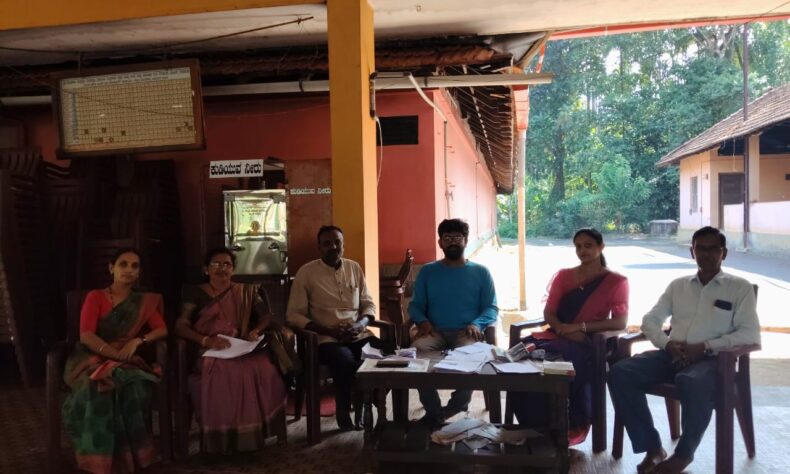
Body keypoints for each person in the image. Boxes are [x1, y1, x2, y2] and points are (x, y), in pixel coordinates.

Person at [608, 226, 760, 474]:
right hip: (671, 355)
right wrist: (667, 344)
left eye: (713, 249)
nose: (706, 254)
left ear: (724, 253)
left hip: (712, 361)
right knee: (620, 373)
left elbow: (749, 335)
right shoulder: (678, 286)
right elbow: (650, 320)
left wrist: (705, 347)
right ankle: (652, 448)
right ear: (692, 251)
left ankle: (683, 455)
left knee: (690, 380)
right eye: (701, 248)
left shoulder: (739, 288)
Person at [510, 228, 628, 445]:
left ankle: (566, 426)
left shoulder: (615, 281)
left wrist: (580, 328)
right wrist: (562, 329)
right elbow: (549, 312)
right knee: (518, 358)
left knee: (565, 365)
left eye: (588, 245)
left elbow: (620, 323)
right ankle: (533, 426)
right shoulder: (564, 276)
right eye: (578, 246)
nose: (583, 250)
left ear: (601, 247)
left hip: (588, 342)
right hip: (556, 335)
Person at [62, 248, 168, 474]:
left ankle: (131, 457)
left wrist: (137, 340)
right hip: (90, 357)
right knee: (97, 385)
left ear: (139, 273)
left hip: (125, 360)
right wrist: (113, 353)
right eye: (123, 264)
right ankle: (97, 460)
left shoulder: (142, 302)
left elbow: (161, 329)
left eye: (134, 266)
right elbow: (86, 336)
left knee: (131, 384)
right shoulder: (96, 297)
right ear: (112, 268)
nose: (129, 270)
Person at [175, 248, 288, 454]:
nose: (222, 268)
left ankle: (251, 436)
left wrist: (256, 330)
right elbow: (181, 325)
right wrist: (205, 340)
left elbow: (266, 316)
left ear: (233, 269)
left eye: (227, 264)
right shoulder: (194, 293)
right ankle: (222, 440)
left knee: (263, 367)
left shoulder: (246, 291)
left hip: (241, 347)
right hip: (208, 350)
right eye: (216, 264)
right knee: (224, 371)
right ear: (206, 269)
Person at [287, 225, 379, 431]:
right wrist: (329, 331)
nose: (333, 247)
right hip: (325, 339)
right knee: (345, 360)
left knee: (388, 353)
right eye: (327, 243)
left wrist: (360, 324)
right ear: (319, 247)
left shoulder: (354, 268)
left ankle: (367, 400)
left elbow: (368, 303)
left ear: (343, 245)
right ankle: (344, 409)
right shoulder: (306, 272)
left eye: (337, 242)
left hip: (357, 334)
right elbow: (293, 315)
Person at [408, 218, 498, 426]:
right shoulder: (428, 271)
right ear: (440, 243)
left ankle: (457, 405)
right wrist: (422, 321)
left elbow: (491, 307)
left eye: (458, 237)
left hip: (466, 333)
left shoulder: (481, 272)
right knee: (417, 355)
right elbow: (415, 305)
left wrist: (477, 323)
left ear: (466, 241)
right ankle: (433, 410)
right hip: (434, 331)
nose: (453, 242)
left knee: (473, 357)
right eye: (447, 238)